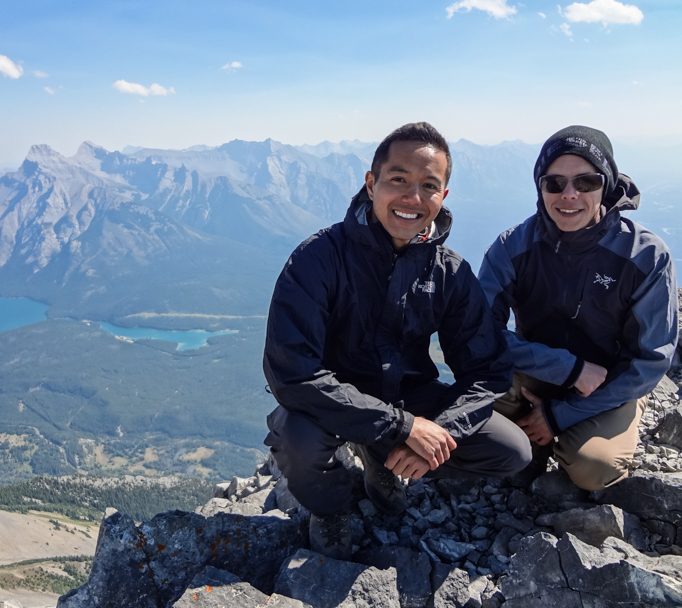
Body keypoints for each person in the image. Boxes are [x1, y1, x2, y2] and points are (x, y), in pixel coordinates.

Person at [263, 122, 531, 560]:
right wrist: (402, 428)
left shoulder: (448, 272)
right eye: (399, 180)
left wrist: (440, 434)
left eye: (429, 185)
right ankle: (331, 507)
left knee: (510, 450)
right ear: (372, 184)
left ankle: (382, 457)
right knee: (298, 440)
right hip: (328, 399)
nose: (412, 198)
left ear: (443, 197)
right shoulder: (318, 258)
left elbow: (487, 370)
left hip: (406, 394)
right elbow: (292, 372)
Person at [479, 125, 678, 492]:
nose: (569, 195)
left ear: (607, 185)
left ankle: (568, 429)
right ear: (540, 188)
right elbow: (477, 331)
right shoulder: (513, 246)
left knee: (593, 469)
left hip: (611, 382)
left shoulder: (645, 256)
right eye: (554, 183)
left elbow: (651, 360)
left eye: (585, 182)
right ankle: (529, 442)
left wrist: (560, 415)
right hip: (537, 371)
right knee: (469, 414)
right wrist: (569, 369)